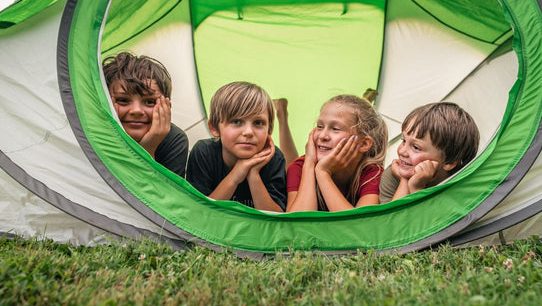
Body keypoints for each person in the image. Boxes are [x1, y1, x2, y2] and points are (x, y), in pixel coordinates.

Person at [186, 82, 287, 212]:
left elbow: (275, 221)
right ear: (214, 128)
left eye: (258, 123)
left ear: (270, 129)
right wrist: (237, 173)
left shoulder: (274, 158)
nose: (249, 132)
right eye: (236, 121)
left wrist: (253, 174)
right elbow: (200, 213)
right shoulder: (204, 153)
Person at [286, 94, 388, 212]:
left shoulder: (372, 174)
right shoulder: (299, 167)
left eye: (335, 129)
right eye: (319, 126)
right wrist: (309, 165)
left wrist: (323, 173)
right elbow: (297, 224)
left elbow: (359, 226)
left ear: (364, 144)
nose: (323, 136)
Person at [102, 52, 188, 177]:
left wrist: (147, 150)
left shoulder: (174, 140)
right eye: (123, 100)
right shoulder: (89, 133)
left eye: (149, 102)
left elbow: (163, 195)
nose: (136, 111)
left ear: (166, 106)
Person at [379, 102, 479, 203]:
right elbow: (394, 217)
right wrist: (404, 180)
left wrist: (416, 189)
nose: (402, 151)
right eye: (404, 140)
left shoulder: (463, 187)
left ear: (449, 162)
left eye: (416, 147)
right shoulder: (394, 173)